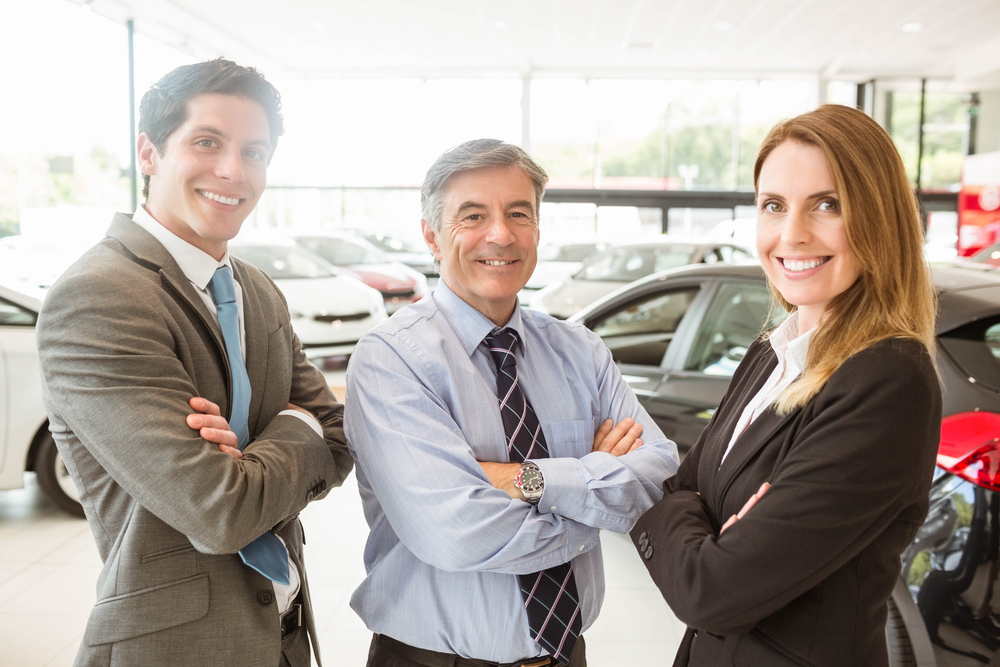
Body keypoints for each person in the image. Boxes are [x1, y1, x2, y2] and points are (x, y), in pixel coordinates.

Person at [36, 58, 352, 667]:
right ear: (149, 152)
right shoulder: (99, 296)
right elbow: (220, 510)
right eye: (207, 142)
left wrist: (262, 451)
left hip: (284, 637)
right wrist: (295, 426)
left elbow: (341, 433)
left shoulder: (256, 289)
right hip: (178, 647)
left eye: (254, 151)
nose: (233, 171)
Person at [345, 138, 679, 667]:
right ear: (432, 235)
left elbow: (657, 476)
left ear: (537, 230)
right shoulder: (392, 359)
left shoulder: (580, 351)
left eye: (518, 213)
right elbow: (456, 533)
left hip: (566, 655)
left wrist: (525, 480)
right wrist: (594, 501)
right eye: (472, 215)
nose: (500, 234)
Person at [630, 103, 942, 666]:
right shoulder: (769, 353)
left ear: (880, 217)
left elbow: (711, 590)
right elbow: (682, 486)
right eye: (773, 206)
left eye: (828, 204)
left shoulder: (889, 379)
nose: (791, 234)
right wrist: (695, 512)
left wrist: (690, 514)